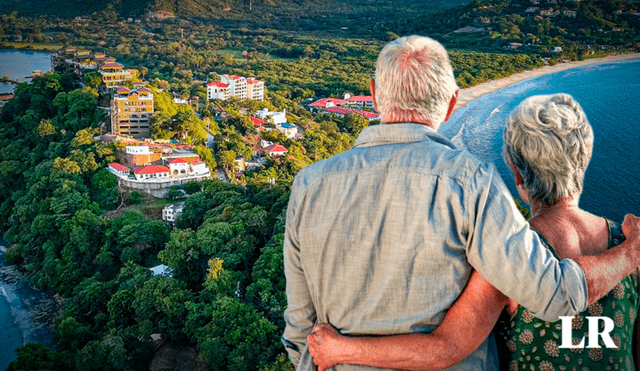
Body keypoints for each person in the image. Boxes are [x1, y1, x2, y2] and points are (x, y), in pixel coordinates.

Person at [282, 35, 640, 370]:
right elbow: (553, 295)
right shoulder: (471, 182)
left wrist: (340, 353)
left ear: (374, 95)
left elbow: (299, 330)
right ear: (453, 102)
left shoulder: (308, 185)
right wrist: (629, 252)